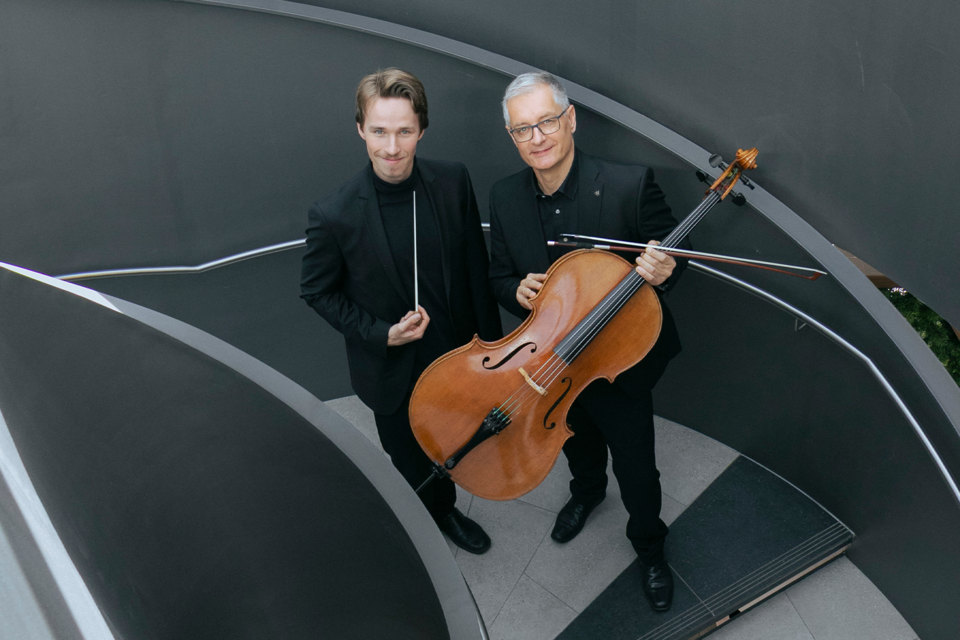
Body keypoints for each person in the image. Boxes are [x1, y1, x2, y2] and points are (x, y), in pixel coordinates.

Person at [488, 71, 689, 610]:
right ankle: (587, 493)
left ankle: (650, 547)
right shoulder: (505, 197)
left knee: (639, 467)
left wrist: (664, 268)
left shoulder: (628, 184)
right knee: (573, 440)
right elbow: (499, 276)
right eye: (522, 129)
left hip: (618, 361)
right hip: (553, 363)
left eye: (547, 121)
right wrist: (516, 289)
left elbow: (674, 264)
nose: (537, 137)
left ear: (570, 119)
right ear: (512, 136)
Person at [300, 68, 502, 554]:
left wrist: (498, 352)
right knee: (412, 461)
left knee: (460, 442)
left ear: (422, 130)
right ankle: (441, 513)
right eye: (379, 131)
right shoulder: (334, 213)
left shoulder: (452, 181)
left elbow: (475, 267)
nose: (392, 147)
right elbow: (316, 291)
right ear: (360, 129)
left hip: (458, 355)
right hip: (392, 371)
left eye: (404, 131)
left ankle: (445, 499)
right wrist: (381, 333)